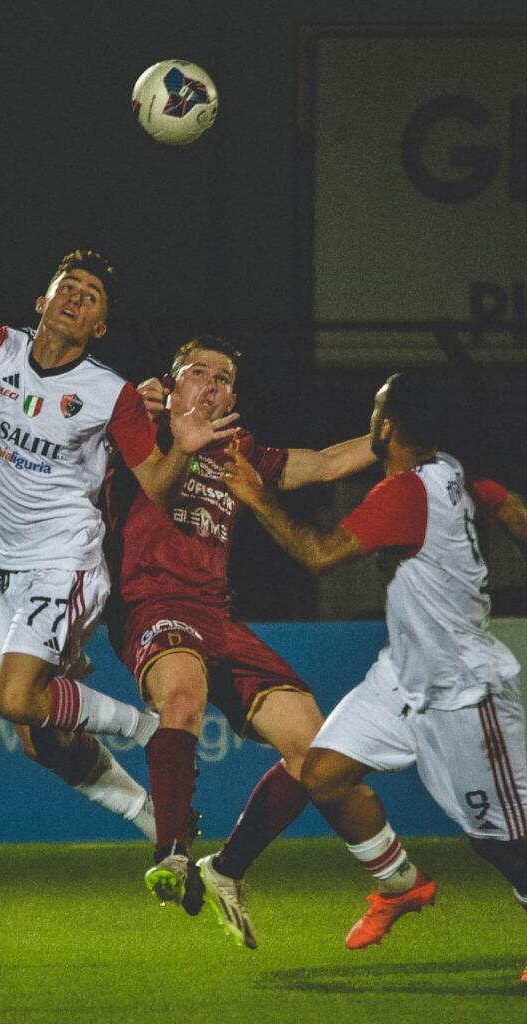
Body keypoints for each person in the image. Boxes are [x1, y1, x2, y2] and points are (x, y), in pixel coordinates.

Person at [0, 248, 238, 840]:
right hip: (3, 560)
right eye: (69, 286)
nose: (77, 296)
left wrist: (183, 445)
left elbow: (158, 486)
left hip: (64, 559)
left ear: (99, 327)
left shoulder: (110, 393)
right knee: (41, 742)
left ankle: (144, 731)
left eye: (92, 296)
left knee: (14, 697)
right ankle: (152, 816)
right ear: (43, 301)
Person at [223, 370, 527, 978]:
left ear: (386, 427)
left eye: (375, 409)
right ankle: (398, 884)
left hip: (461, 691)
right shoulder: (458, 475)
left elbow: (318, 555)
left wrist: (256, 496)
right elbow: (513, 510)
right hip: (402, 677)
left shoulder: (405, 492)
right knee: (324, 773)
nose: (371, 418)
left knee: (499, 839)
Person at [99, 335, 378, 932]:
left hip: (218, 617)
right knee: (182, 694)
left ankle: (227, 867)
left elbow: (325, 463)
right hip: (150, 604)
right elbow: (137, 478)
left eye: (225, 378)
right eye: (198, 372)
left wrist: (398, 437)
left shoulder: (238, 449)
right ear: (170, 385)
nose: (214, 383)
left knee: (315, 749)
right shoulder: (132, 427)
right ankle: (171, 850)